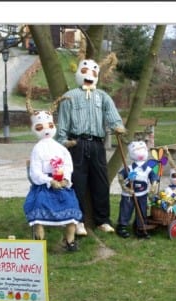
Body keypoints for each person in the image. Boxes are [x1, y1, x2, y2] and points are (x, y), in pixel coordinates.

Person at [56, 58, 126, 236]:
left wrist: (117, 125)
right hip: (76, 144)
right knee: (77, 183)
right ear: (79, 73)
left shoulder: (102, 96)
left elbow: (112, 115)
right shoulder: (69, 97)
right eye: (86, 72)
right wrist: (62, 141)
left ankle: (103, 220)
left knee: (100, 182)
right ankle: (78, 221)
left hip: (96, 144)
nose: (89, 76)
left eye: (94, 73)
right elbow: (63, 123)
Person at [23, 109, 82, 252]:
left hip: (62, 184)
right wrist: (49, 181)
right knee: (38, 208)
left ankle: (69, 241)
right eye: (40, 127)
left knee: (72, 207)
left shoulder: (61, 148)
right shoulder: (37, 149)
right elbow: (35, 172)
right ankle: (39, 242)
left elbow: (68, 165)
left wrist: (66, 179)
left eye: (49, 126)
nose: (46, 130)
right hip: (44, 186)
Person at [116, 141, 159, 239]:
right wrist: (124, 186)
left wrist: (154, 184)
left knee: (142, 211)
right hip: (129, 195)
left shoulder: (148, 168)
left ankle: (140, 227)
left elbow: (153, 177)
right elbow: (120, 176)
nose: (139, 152)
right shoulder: (129, 168)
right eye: (136, 150)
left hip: (142, 194)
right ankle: (122, 227)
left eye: (142, 150)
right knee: (126, 210)